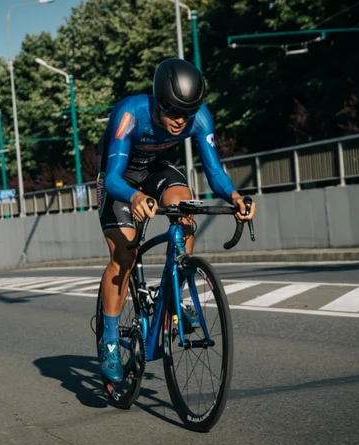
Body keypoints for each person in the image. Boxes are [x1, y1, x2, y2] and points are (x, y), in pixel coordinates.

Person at [95, 58, 257, 382]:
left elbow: (213, 171)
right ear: (158, 102)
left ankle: (175, 296)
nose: (180, 122)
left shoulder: (199, 117)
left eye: (188, 113)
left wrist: (235, 197)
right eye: (173, 112)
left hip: (154, 167)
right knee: (124, 254)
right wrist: (135, 197)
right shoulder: (130, 114)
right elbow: (112, 176)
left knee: (186, 213)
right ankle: (110, 339)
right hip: (119, 177)